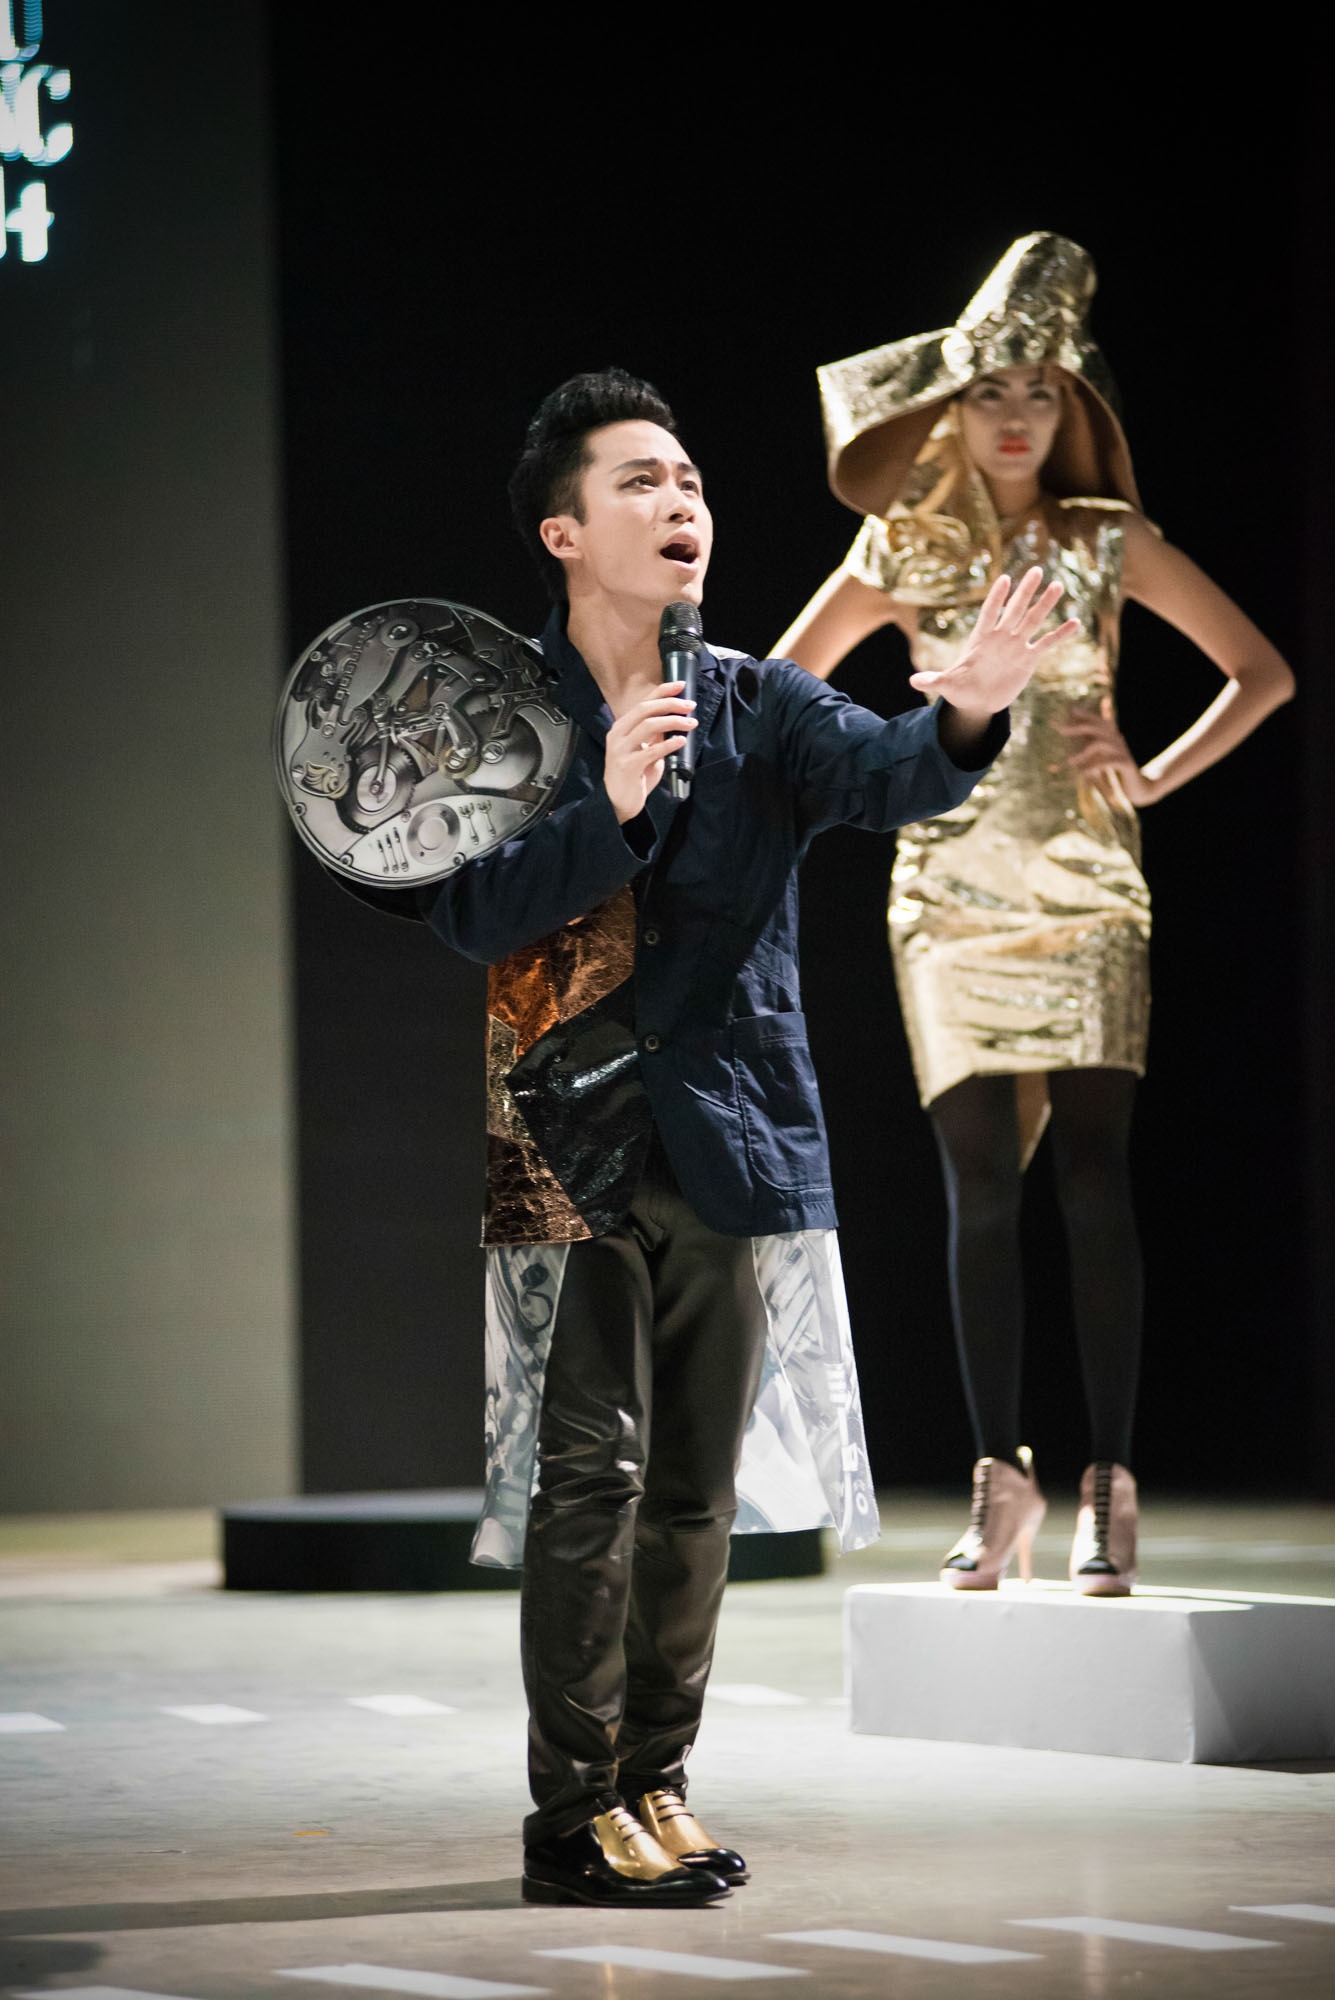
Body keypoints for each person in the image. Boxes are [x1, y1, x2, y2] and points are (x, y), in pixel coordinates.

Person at [422, 367, 1072, 1906]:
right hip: (567, 1132)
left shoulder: (760, 701)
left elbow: (893, 774)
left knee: (694, 1493)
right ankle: (572, 1815)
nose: (682, 504)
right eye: (642, 481)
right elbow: (470, 912)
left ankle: (656, 1785)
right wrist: (605, 806)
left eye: (692, 482)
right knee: (589, 1483)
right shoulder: (501, 718)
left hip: (730, 1130)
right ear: (564, 531)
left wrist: (969, 704)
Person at [775, 234, 1295, 1599]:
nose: (1016, 418)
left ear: (1073, 411)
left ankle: (1108, 1488)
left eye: (1042, 394)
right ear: (952, 406)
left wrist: (1154, 772)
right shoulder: (904, 544)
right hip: (947, 892)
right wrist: (898, 748)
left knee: (1095, 1177)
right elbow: (783, 689)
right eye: (993, 392)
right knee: (979, 1189)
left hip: (1087, 883)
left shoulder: (1105, 540)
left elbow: (1261, 671)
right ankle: (997, 1482)